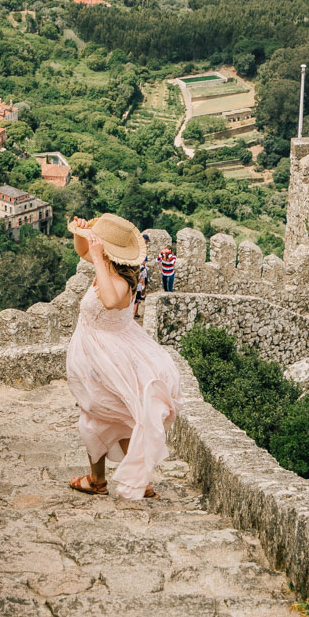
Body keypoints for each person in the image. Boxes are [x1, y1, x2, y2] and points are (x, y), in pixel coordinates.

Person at [66, 213, 182, 501]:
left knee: (98, 416)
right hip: (99, 354)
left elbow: (108, 299)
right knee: (119, 416)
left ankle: (99, 480)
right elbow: (81, 252)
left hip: (109, 358)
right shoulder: (107, 266)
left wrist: (98, 256)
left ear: (108, 252)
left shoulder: (121, 282)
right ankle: (130, 480)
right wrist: (82, 235)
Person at [132, 232, 150, 321]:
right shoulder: (142, 268)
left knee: (135, 299)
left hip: (135, 278)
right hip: (138, 280)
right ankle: (133, 315)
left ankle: (134, 314)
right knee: (136, 300)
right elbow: (142, 279)